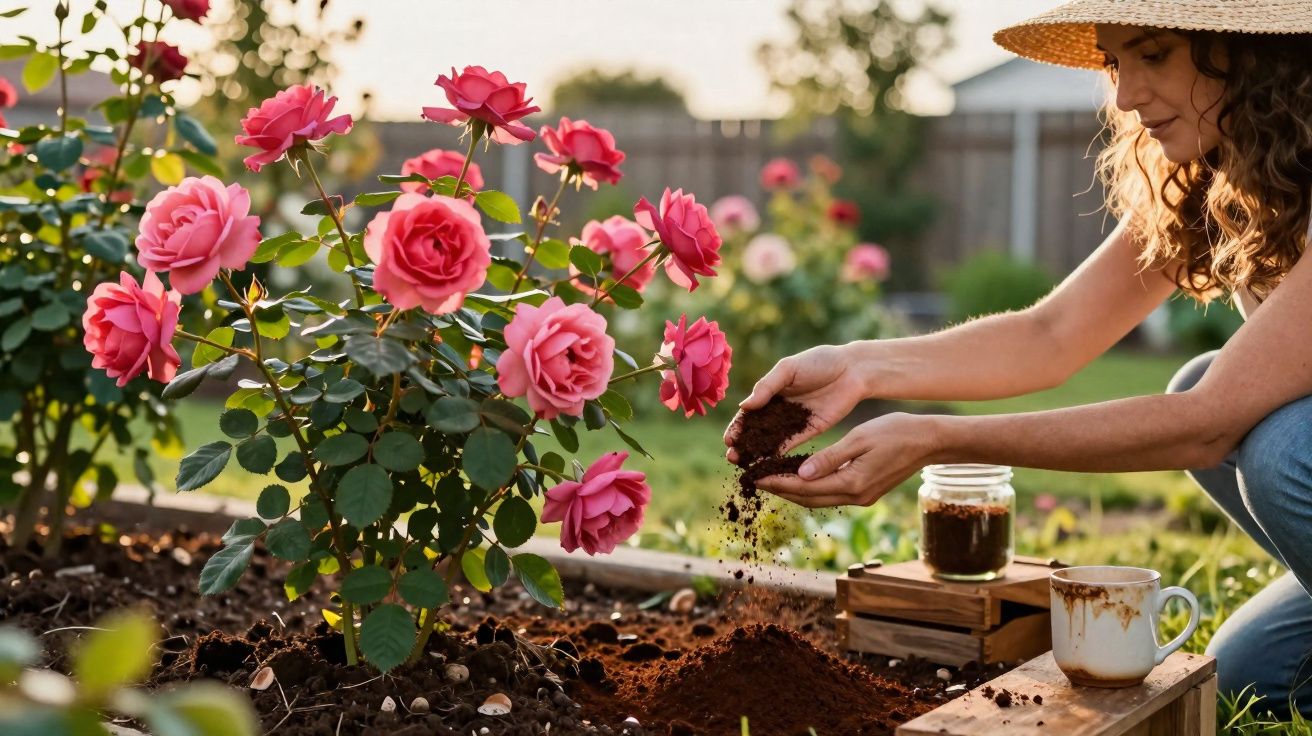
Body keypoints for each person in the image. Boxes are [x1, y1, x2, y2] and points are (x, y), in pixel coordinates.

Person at [724, 0, 1312, 718]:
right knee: (1259, 674)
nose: (1126, 95)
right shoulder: (1221, 177)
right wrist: (860, 366)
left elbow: (1207, 424)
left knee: (1279, 444)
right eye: (1115, 62)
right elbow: (1052, 334)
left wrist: (942, 438)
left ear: (1254, 57)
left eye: (1153, 53)